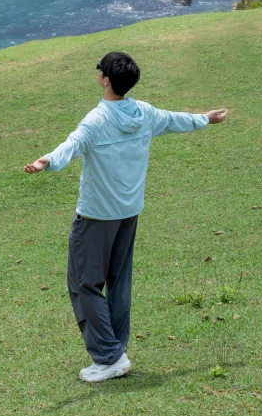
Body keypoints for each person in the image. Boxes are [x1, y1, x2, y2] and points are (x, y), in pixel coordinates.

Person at [24, 50, 227, 382]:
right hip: (128, 213)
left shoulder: (98, 119)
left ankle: (109, 356)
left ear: (105, 80)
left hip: (96, 216)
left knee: (83, 283)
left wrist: (46, 161)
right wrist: (207, 118)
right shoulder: (143, 113)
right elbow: (176, 119)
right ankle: (114, 352)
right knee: (118, 283)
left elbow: (72, 144)